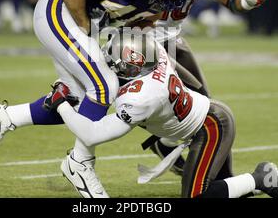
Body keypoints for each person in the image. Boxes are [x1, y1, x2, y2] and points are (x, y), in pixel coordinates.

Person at [0, 0, 207, 198]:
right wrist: (89, 33)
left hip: (86, 22)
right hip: (59, 10)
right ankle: (80, 164)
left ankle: (3, 117)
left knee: (77, 101)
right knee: (103, 86)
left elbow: (141, 20)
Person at [38, 31, 278, 198]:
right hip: (206, 115)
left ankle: (261, 177)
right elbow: (186, 76)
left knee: (197, 196)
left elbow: (91, 135)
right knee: (219, 187)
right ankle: (258, 183)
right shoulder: (156, 56)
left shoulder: (141, 97)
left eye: (115, 62)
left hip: (211, 127)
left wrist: (61, 104)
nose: (109, 64)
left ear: (130, 68)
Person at [140, 0, 267, 175]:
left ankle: (171, 147)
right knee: (203, 111)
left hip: (173, 39)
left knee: (206, 105)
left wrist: (245, 0)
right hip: (141, 43)